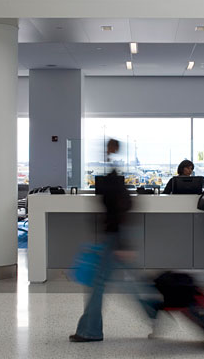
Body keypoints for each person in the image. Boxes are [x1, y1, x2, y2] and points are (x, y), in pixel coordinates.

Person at [71, 139, 132, 343]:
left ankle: (90, 331)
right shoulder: (111, 172)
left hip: (113, 236)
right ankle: (154, 310)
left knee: (98, 284)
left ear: (113, 150)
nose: (106, 151)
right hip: (113, 236)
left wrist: (122, 244)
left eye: (109, 148)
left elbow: (118, 208)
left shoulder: (113, 174)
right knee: (132, 285)